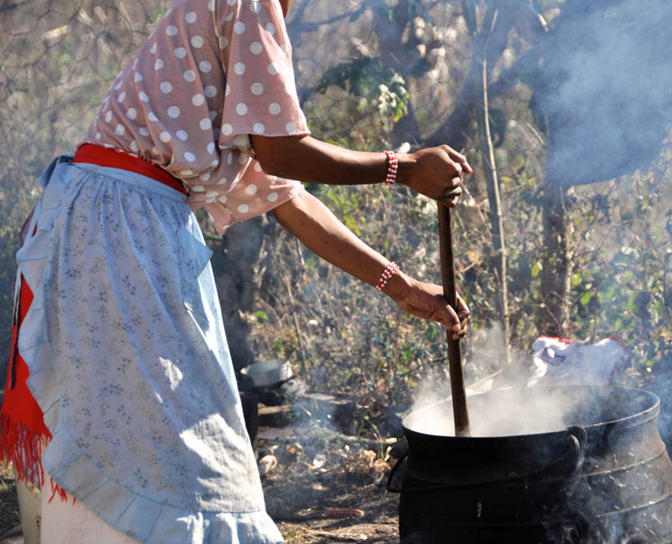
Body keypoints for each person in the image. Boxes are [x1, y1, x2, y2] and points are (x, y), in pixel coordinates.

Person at [0, 0, 471, 542]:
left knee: (132, 437)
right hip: (120, 230)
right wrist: (403, 167)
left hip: (106, 223)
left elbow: (288, 199)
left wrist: (403, 287)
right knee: (182, 450)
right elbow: (283, 155)